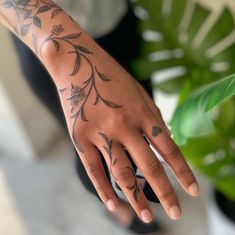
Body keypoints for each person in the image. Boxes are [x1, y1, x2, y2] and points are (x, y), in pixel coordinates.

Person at [0, 0, 200, 233]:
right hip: (40, 47)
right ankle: (115, 208)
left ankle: (139, 179)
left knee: (139, 131)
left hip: (116, 18)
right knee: (95, 158)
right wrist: (57, 47)